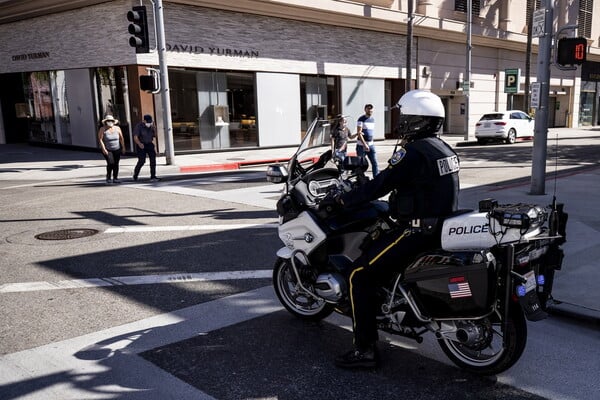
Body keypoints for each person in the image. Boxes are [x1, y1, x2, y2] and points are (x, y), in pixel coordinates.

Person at [321, 90, 460, 369]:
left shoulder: (413, 152)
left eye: (405, 116)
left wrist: (342, 200)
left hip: (417, 230)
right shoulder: (443, 148)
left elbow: (381, 184)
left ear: (416, 120)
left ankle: (364, 350)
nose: (401, 122)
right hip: (440, 226)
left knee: (358, 275)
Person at [97, 115, 125, 184]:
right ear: (106, 122)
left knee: (116, 163)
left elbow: (121, 138)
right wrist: (104, 149)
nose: (110, 122)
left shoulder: (117, 128)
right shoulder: (102, 129)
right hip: (108, 149)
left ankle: (115, 178)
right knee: (110, 163)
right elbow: (100, 139)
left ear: (113, 122)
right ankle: (108, 177)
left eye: (111, 121)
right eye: (108, 121)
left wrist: (123, 147)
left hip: (117, 148)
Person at [133, 114, 160, 182]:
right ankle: (135, 174)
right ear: (144, 121)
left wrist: (154, 128)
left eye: (150, 122)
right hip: (141, 144)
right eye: (148, 122)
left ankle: (153, 176)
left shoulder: (151, 126)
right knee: (142, 161)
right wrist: (139, 143)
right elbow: (135, 137)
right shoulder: (139, 126)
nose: (149, 123)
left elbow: (155, 136)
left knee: (153, 160)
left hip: (149, 144)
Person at [356, 103, 379, 176]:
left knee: (375, 163)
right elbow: (359, 133)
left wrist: (371, 142)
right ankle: (361, 179)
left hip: (371, 145)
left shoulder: (372, 119)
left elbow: (370, 132)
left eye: (371, 108)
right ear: (365, 109)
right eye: (368, 108)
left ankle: (376, 178)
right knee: (361, 164)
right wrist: (365, 144)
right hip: (361, 146)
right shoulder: (361, 119)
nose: (370, 110)